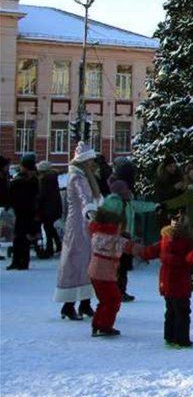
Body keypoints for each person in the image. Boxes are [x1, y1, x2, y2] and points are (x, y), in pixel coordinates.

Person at [137, 208, 193, 348]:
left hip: (165, 282)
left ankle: (169, 336)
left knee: (170, 310)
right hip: (180, 283)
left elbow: (150, 251)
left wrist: (138, 251)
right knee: (182, 311)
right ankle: (182, 339)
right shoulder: (186, 242)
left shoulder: (165, 240)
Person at [55, 142, 104, 320]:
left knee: (88, 262)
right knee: (77, 262)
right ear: (84, 160)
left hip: (84, 224)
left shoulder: (85, 176)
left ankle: (85, 302)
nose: (93, 163)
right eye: (91, 160)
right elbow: (85, 199)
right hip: (78, 225)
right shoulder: (78, 177)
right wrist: (92, 214)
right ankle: (69, 305)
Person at [107, 157, 158, 301]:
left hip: (123, 233)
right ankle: (117, 291)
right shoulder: (119, 195)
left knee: (121, 266)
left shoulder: (123, 193)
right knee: (119, 266)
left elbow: (134, 206)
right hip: (119, 234)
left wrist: (154, 206)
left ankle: (119, 290)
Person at [87, 196, 137, 337]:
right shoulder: (112, 238)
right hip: (104, 274)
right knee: (113, 299)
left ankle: (98, 324)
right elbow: (130, 247)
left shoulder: (98, 234)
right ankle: (104, 326)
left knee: (105, 300)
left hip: (96, 272)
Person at [6, 153, 39, 270]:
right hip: (21, 211)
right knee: (18, 237)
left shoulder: (30, 179)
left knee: (23, 237)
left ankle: (22, 262)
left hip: (26, 212)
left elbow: (29, 197)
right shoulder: (23, 178)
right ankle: (16, 260)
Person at [36, 160, 63, 258]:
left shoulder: (45, 179)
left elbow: (42, 194)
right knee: (50, 228)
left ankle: (50, 248)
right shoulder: (52, 178)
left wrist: (37, 200)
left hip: (48, 208)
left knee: (48, 228)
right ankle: (58, 245)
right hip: (54, 207)